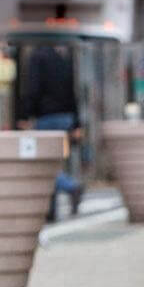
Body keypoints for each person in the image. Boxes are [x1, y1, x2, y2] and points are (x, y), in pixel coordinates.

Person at [17, 44, 84, 221]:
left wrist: (25, 115)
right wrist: (76, 122)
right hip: (66, 117)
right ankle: (51, 209)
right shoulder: (65, 56)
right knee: (56, 162)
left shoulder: (37, 57)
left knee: (45, 164)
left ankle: (70, 187)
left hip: (46, 116)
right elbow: (73, 91)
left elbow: (33, 88)